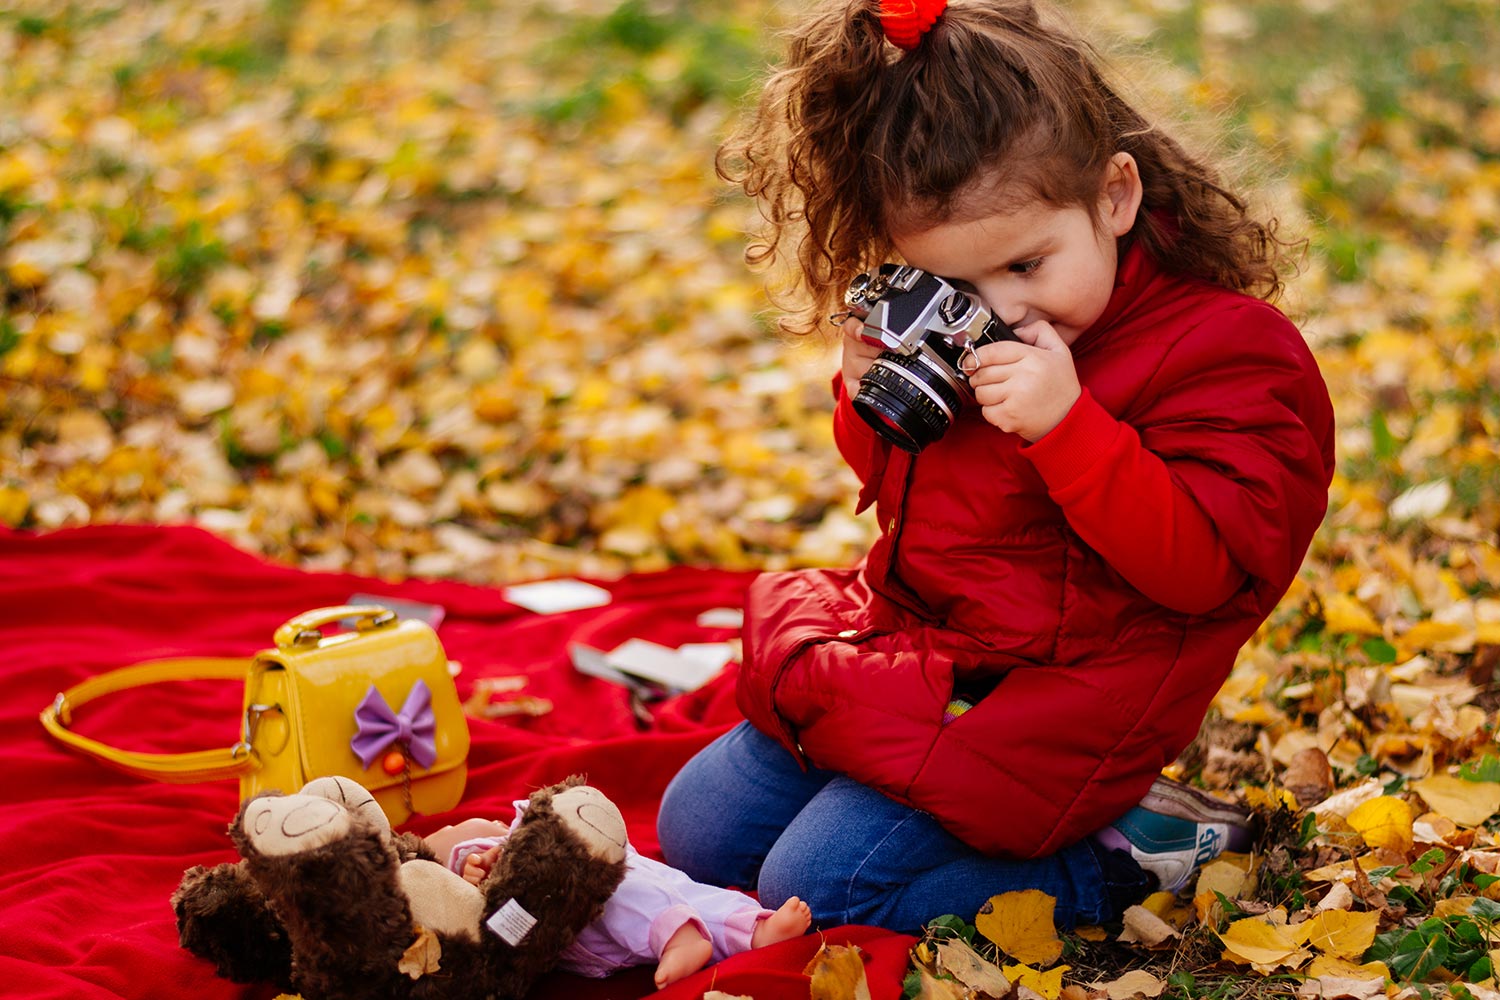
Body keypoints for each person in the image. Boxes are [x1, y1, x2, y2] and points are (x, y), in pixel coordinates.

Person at [656, 0, 1336, 934]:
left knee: (817, 890)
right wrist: (869, 399)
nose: (998, 311)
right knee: (694, 831)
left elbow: (1207, 570)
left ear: (1114, 196)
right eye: (955, 284)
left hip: (1064, 700)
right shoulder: (976, 324)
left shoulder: (1228, 352)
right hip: (932, 651)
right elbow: (909, 493)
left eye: (1026, 265)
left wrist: (1071, 430)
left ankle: (1123, 860)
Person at [424, 808, 812, 989]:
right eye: (449, 829)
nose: (451, 825)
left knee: (682, 891)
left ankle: (754, 928)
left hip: (603, 867)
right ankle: (679, 936)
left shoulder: (516, 831)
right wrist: (475, 869)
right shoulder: (461, 868)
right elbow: (474, 896)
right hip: (574, 914)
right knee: (632, 900)